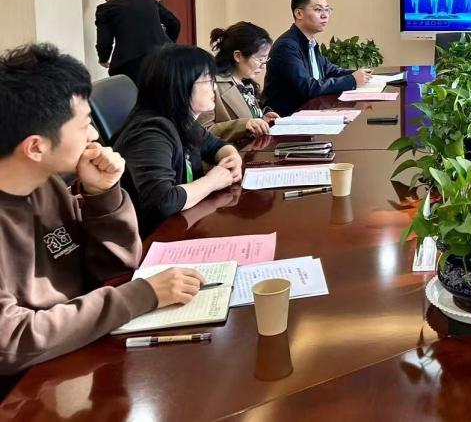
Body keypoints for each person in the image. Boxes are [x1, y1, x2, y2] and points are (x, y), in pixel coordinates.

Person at [0, 44, 205, 376]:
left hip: (77, 348)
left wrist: (103, 195)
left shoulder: (46, 184)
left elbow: (113, 269)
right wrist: (140, 296)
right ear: (36, 147)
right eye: (84, 125)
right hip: (29, 382)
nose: (95, 135)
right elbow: (11, 341)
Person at [115, 45, 243, 237]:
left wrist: (232, 158)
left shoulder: (180, 119)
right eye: (209, 81)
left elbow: (215, 145)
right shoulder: (150, 133)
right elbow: (163, 202)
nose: (215, 88)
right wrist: (212, 181)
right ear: (181, 85)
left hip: (184, 222)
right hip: (154, 239)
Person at [262, 0, 372, 116]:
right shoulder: (287, 47)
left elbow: (330, 70)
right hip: (287, 118)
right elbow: (307, 87)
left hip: (310, 112)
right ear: (299, 14)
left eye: (327, 9)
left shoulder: (309, 42)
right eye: (318, 10)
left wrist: (358, 74)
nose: (325, 15)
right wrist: (351, 80)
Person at [199, 22, 280, 143]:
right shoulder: (211, 85)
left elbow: (246, 116)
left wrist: (262, 119)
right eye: (260, 59)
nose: (263, 65)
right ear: (238, 56)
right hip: (228, 153)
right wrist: (242, 126)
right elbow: (203, 132)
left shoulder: (246, 83)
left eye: (265, 59)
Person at [94, 0, 181, 83]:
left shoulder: (105, 9)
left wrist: (103, 59)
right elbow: (174, 23)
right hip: (164, 59)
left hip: (131, 66)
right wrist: (167, 45)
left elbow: (105, 42)